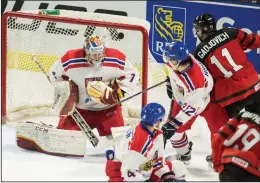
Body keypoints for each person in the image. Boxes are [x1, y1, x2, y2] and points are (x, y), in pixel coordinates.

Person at [49, 35, 140, 142]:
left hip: (109, 110)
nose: (97, 57)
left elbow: (133, 74)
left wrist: (118, 94)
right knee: (62, 140)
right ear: (86, 52)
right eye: (94, 54)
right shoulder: (71, 59)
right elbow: (54, 73)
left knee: (120, 142)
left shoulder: (116, 58)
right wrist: (62, 88)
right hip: (79, 110)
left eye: (100, 53)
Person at [161, 41, 229, 164]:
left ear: (178, 61)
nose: (168, 62)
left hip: (206, 101)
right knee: (175, 133)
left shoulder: (195, 81)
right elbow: (172, 72)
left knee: (221, 130)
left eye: (170, 60)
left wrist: (173, 124)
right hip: (186, 96)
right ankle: (184, 155)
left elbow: (192, 108)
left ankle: (221, 158)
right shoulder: (179, 60)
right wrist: (170, 82)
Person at [193, 12, 260, 119]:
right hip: (252, 87)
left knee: (232, 131)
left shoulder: (198, 53)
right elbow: (254, 41)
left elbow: (200, 80)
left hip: (229, 98)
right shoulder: (230, 32)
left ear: (200, 30)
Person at [105, 102, 187, 182]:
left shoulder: (155, 132)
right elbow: (128, 174)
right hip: (121, 174)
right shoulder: (139, 143)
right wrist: (145, 179)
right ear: (157, 121)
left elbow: (158, 160)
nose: (163, 121)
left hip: (142, 167)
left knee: (179, 167)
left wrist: (165, 174)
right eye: (161, 119)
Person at [211, 105, 260, 181]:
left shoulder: (244, 114)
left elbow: (217, 140)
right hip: (250, 173)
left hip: (226, 168)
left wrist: (218, 166)